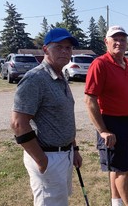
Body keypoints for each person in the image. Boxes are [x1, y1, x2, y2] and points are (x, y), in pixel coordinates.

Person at [11, 28, 82, 206]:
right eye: (59, 47)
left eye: (68, 48)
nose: (65, 51)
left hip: (64, 155)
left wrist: (74, 149)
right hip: (48, 157)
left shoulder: (60, 76)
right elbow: (18, 124)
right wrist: (41, 160)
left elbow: (63, 117)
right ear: (45, 49)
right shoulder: (35, 78)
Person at [84, 25, 128, 206]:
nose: (119, 42)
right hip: (112, 123)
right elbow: (90, 100)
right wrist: (102, 131)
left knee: (121, 167)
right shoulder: (100, 64)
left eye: (123, 39)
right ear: (106, 42)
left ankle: (115, 203)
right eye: (115, 39)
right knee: (122, 170)